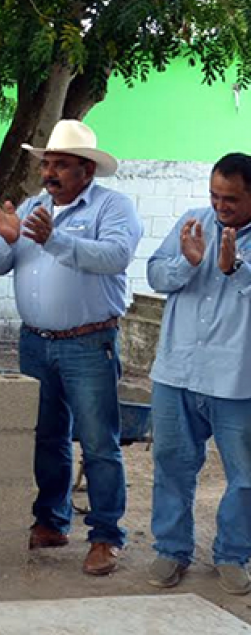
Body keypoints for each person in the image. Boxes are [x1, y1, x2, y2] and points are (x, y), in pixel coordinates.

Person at [0, 119, 141, 576]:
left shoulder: (114, 208)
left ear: (86, 171)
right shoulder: (32, 205)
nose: (50, 172)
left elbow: (114, 257)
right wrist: (7, 238)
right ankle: (51, 521)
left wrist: (54, 238)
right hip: (35, 343)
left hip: (88, 342)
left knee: (98, 443)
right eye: (47, 163)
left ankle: (107, 535)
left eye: (61, 165)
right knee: (46, 439)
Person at [144, 152, 251, 596]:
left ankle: (232, 554)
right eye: (214, 195)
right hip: (177, 371)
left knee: (245, 476)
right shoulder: (193, 221)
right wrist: (187, 263)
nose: (219, 205)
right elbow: (154, 274)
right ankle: (171, 548)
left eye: (231, 198)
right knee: (171, 464)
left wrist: (234, 268)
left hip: (237, 380)